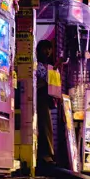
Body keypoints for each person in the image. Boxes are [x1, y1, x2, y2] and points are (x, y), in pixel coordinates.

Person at [35, 39, 60, 168]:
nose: (48, 51)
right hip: (38, 99)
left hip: (46, 100)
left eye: (49, 49)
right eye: (45, 49)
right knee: (43, 127)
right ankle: (45, 156)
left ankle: (47, 155)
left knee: (46, 127)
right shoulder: (37, 65)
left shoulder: (49, 66)